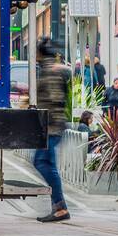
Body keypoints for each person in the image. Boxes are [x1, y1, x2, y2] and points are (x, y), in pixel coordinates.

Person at [32, 36, 71, 222]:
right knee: (46, 163)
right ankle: (59, 206)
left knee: (42, 162)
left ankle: (60, 206)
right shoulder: (48, 69)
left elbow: (55, 98)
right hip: (50, 125)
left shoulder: (50, 71)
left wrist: (48, 124)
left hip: (52, 126)